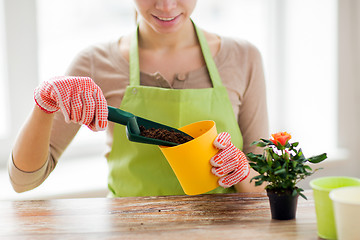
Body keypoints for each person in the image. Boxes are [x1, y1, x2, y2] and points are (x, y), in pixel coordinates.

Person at [9, 0, 269, 197]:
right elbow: (23, 182)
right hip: (129, 231)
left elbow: (265, 184)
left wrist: (242, 171)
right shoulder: (94, 63)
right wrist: (45, 103)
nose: (166, 6)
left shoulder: (244, 58)